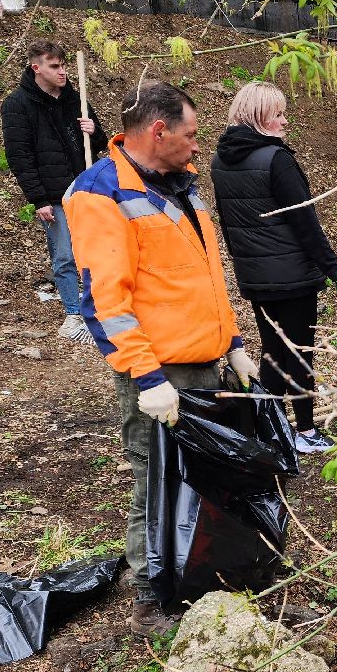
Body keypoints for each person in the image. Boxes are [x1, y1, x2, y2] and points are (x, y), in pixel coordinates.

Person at [63, 81, 259, 637]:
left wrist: (235, 345)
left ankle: (199, 575)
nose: (198, 146)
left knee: (202, 477)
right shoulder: (101, 194)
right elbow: (105, 299)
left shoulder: (184, 188)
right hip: (159, 373)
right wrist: (146, 377)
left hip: (205, 362)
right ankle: (150, 594)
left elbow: (205, 278)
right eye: (191, 134)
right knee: (155, 478)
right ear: (159, 131)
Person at [211, 81, 337, 455]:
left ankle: (267, 430)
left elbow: (227, 223)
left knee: (272, 352)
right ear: (259, 116)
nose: (285, 121)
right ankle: (305, 430)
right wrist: (334, 269)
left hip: (257, 277)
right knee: (300, 351)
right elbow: (305, 222)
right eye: (278, 114)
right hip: (292, 277)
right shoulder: (276, 159)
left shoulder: (220, 160)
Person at [1, 39, 108, 340]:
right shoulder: (17, 105)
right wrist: (38, 199)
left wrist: (94, 131)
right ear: (37, 68)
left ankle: (99, 308)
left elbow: (99, 142)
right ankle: (74, 314)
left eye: (63, 65)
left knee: (97, 252)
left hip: (88, 189)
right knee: (64, 255)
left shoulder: (76, 98)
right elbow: (20, 156)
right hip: (54, 195)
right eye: (55, 66)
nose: (63, 72)